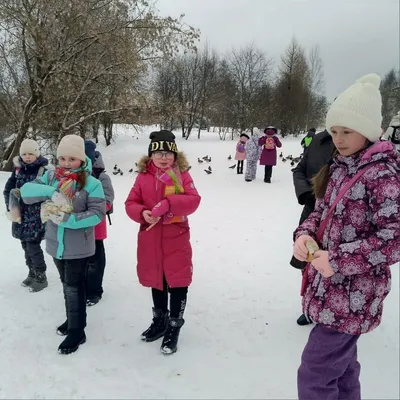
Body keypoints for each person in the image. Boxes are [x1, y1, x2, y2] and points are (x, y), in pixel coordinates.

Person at [292, 73, 400, 400]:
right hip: (329, 289)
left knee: (315, 372)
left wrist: (337, 260)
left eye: (347, 131)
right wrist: (305, 235)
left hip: (355, 294)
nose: (338, 139)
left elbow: (393, 237)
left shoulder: (382, 174)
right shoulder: (339, 166)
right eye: (334, 130)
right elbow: (320, 211)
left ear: (368, 131)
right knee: (343, 367)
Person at [21, 135, 106, 355]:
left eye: (72, 158)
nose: (67, 163)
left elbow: (98, 213)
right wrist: (51, 191)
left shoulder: (91, 183)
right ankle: (72, 321)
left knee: (73, 286)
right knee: (66, 283)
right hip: (55, 242)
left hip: (79, 245)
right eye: (63, 158)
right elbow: (27, 193)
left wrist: (70, 220)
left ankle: (77, 331)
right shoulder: (51, 177)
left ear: (81, 159)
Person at [125, 130, 201, 354]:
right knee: (157, 281)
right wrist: (142, 213)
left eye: (169, 153)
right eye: (159, 153)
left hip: (176, 238)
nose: (164, 157)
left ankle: (174, 328)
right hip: (150, 238)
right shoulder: (143, 177)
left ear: (175, 155)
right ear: (151, 156)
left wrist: (169, 203)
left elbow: (194, 200)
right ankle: (160, 321)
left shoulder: (182, 175)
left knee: (177, 282)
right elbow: (131, 202)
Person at [291, 129, 335, 325]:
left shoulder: (360, 143)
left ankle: (332, 311)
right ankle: (309, 306)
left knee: (332, 264)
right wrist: (307, 193)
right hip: (312, 210)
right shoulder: (317, 139)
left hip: (341, 217)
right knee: (307, 259)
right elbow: (299, 169)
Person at [3, 139, 49, 292]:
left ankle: (41, 275)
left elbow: (47, 192)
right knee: (24, 245)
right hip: (20, 215)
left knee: (33, 245)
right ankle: (32, 272)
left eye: (30, 153)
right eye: (24, 154)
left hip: (35, 216)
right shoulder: (17, 170)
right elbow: (8, 188)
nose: (27, 157)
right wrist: (10, 205)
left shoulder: (44, 171)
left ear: (37, 154)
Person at [84, 140, 115, 306]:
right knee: (79, 261)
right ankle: (81, 288)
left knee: (95, 260)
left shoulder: (102, 177)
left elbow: (108, 200)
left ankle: (95, 291)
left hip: (95, 227)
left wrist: (93, 210)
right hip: (76, 229)